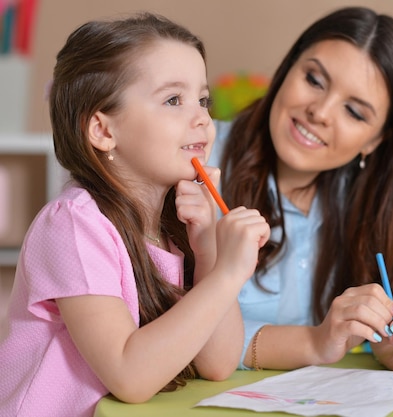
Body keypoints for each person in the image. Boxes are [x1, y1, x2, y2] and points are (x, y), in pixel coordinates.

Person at [0, 12, 270, 417]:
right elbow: (130, 376)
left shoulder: (176, 224)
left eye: (203, 99)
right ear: (103, 131)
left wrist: (210, 250)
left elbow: (217, 363)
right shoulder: (74, 224)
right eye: (173, 100)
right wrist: (231, 274)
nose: (202, 118)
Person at [210, 6, 393, 372]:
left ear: (376, 141)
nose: (320, 112)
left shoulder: (373, 201)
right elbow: (178, 329)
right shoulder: (200, 161)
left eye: (354, 112)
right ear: (288, 68)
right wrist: (314, 344)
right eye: (315, 80)